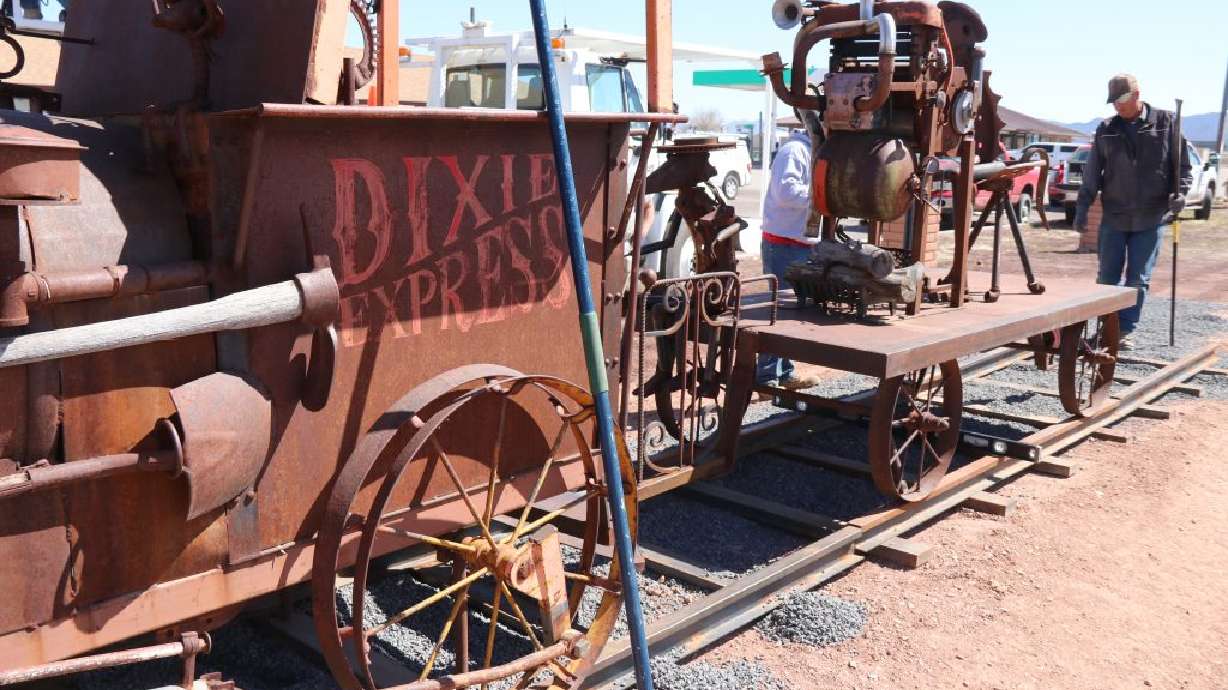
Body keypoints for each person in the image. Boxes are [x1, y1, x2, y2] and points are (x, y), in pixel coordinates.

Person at [1075, 74, 1191, 349]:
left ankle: (1123, 331)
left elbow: (1182, 168)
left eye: (1122, 100)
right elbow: (1092, 173)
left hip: (1151, 217)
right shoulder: (1107, 129)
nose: (1117, 106)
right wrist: (1082, 208)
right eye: (1113, 102)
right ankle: (1105, 328)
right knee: (1106, 279)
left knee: (1138, 279)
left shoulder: (1166, 123)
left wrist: (1180, 195)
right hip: (1114, 216)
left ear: (1136, 95)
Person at [757, 116, 820, 389]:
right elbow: (786, 193)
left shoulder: (811, 151)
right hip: (782, 245)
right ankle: (767, 376)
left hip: (798, 244)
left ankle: (784, 372)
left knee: (791, 312)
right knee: (778, 313)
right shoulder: (794, 151)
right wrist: (822, 194)